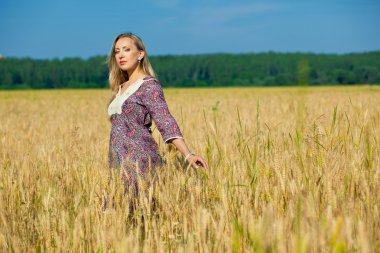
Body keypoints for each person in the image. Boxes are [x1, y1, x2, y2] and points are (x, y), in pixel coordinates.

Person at [107, 32, 208, 196]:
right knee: (119, 213)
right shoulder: (120, 88)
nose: (120, 55)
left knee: (142, 213)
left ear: (140, 54)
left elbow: (165, 121)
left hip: (140, 162)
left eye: (126, 49)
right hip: (118, 164)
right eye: (117, 51)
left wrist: (188, 154)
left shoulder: (149, 86)